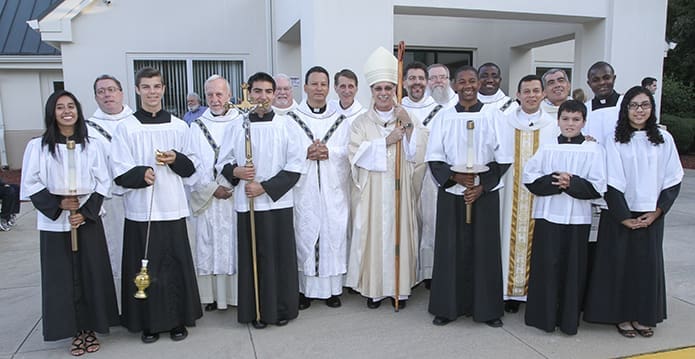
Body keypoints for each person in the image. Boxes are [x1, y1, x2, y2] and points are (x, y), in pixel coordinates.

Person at [20, 90, 118, 356]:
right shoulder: (38, 146)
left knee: (90, 275)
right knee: (63, 279)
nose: (66, 111)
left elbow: (103, 181)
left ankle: (90, 327)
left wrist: (85, 212)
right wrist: (59, 204)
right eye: (60, 107)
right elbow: (30, 182)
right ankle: (73, 330)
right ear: (52, 113)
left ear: (78, 111)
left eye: (71, 106)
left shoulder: (92, 144)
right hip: (56, 224)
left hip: (86, 219)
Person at [584, 86, 683, 338]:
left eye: (645, 105)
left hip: (651, 214)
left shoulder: (663, 139)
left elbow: (673, 178)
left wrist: (657, 212)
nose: (639, 110)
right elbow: (610, 180)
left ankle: (642, 315)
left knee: (645, 267)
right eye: (634, 105)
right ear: (625, 108)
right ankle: (622, 316)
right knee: (619, 266)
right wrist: (624, 217)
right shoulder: (614, 139)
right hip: (619, 213)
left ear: (652, 109)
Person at [112, 67, 201, 343]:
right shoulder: (125, 128)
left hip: (172, 207)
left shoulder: (179, 126)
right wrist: (141, 174)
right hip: (141, 211)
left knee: (173, 266)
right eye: (146, 87)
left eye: (156, 86)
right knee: (145, 269)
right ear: (137, 90)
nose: (152, 92)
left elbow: (193, 167)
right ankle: (148, 322)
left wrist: (176, 159)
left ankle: (176, 321)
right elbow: (118, 168)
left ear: (164, 89)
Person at [217, 71, 306, 329]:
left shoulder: (286, 124)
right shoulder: (237, 125)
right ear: (249, 94)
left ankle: (280, 309)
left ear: (275, 94)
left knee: (279, 259)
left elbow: (295, 166)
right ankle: (255, 311)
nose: (263, 97)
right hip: (248, 205)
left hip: (277, 203)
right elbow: (222, 162)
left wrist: (264, 187)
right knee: (254, 258)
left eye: (269, 91)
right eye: (258, 91)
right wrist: (237, 172)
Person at [426, 66, 509, 328]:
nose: (468, 86)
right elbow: (434, 156)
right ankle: (447, 308)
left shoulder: (494, 116)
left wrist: (482, 185)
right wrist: (456, 178)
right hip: (453, 192)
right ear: (454, 86)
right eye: (462, 82)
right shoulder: (443, 117)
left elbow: (504, 157)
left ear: (478, 83)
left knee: (484, 251)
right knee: (450, 250)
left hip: (483, 194)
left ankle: (487, 310)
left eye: (472, 81)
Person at [522, 100, 606, 335]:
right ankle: (544, 318)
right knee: (546, 267)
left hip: (577, 219)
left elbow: (599, 185)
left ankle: (568, 320)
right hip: (548, 217)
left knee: (573, 269)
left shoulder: (593, 149)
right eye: (566, 119)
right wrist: (558, 182)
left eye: (576, 119)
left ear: (584, 122)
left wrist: (573, 184)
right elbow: (530, 176)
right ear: (558, 120)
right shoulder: (547, 147)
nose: (570, 124)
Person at [346, 47, 419, 309]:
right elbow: (354, 154)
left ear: (395, 90)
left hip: (400, 189)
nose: (384, 93)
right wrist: (386, 142)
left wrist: (408, 126)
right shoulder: (360, 123)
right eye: (379, 89)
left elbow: (418, 154)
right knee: (375, 237)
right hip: (374, 192)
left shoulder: (407, 117)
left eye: (389, 88)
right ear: (372, 92)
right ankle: (375, 290)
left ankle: (399, 289)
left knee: (399, 234)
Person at [287, 66, 351, 310]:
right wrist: (306, 153)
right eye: (314, 84)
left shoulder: (340, 120)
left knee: (332, 234)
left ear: (329, 88)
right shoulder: (292, 120)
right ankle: (304, 290)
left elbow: (348, 151)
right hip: (305, 190)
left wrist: (329, 152)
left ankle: (332, 290)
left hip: (332, 191)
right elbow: (287, 152)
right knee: (304, 234)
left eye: (323, 84)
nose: (319, 89)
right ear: (305, 87)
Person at [499, 74, 560, 314]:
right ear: (518, 95)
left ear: (543, 94)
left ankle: (532, 292)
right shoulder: (504, 122)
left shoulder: (553, 126)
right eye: (527, 91)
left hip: (540, 195)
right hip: (510, 193)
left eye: (536, 91)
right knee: (507, 237)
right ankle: (508, 292)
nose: (532, 96)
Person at [186, 75, 241, 312]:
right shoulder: (196, 127)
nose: (215, 99)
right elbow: (192, 164)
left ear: (229, 95)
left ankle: (236, 295)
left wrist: (233, 183)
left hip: (236, 195)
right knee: (208, 242)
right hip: (210, 196)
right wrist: (211, 188)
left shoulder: (243, 122)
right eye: (210, 95)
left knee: (234, 244)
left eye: (219, 94)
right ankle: (211, 297)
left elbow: (249, 157)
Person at [87, 74, 134, 303]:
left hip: (137, 197)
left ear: (121, 93)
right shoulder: (88, 129)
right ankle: (116, 301)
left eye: (112, 89)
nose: (107, 95)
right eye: (101, 91)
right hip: (109, 201)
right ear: (96, 97)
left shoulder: (137, 121)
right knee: (114, 252)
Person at [401, 61, 440, 288]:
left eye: (420, 78)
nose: (416, 83)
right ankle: (408, 272)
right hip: (405, 174)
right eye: (412, 78)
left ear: (427, 82)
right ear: (404, 82)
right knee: (407, 223)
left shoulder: (439, 110)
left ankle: (430, 273)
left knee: (431, 222)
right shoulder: (397, 108)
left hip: (430, 176)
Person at [584, 61, 622, 145]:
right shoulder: (584, 109)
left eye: (606, 78)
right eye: (595, 80)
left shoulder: (626, 104)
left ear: (614, 78)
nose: (602, 83)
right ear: (589, 83)